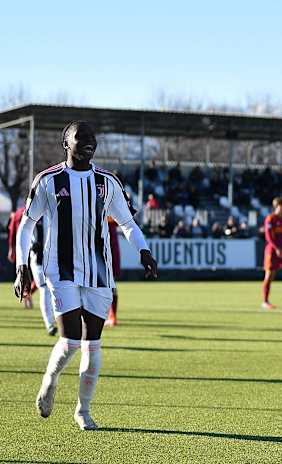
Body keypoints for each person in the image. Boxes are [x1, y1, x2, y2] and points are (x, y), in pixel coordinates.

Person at [13, 120, 158, 431]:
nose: (89, 142)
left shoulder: (108, 182)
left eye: (93, 138)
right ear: (67, 143)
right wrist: (22, 266)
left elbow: (128, 224)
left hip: (98, 272)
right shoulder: (48, 181)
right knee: (71, 341)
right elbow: (26, 225)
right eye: (81, 138)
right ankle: (50, 380)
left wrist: (143, 250)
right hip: (60, 270)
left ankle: (83, 410)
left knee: (93, 343)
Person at [29, 218, 57, 335]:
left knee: (56, 289)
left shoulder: (52, 211)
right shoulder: (33, 213)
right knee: (45, 290)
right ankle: (50, 324)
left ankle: (57, 320)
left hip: (53, 259)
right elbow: (25, 232)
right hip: (38, 259)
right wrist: (33, 245)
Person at [7, 204, 33, 309]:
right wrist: (11, 249)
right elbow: (13, 232)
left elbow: (12, 232)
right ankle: (26, 295)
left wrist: (11, 248)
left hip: (22, 248)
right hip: (29, 248)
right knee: (27, 274)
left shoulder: (18, 213)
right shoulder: (20, 213)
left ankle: (26, 295)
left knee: (25, 275)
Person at [104, 217, 122, 327]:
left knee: (110, 284)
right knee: (111, 284)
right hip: (111, 246)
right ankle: (112, 315)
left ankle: (112, 316)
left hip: (106, 248)